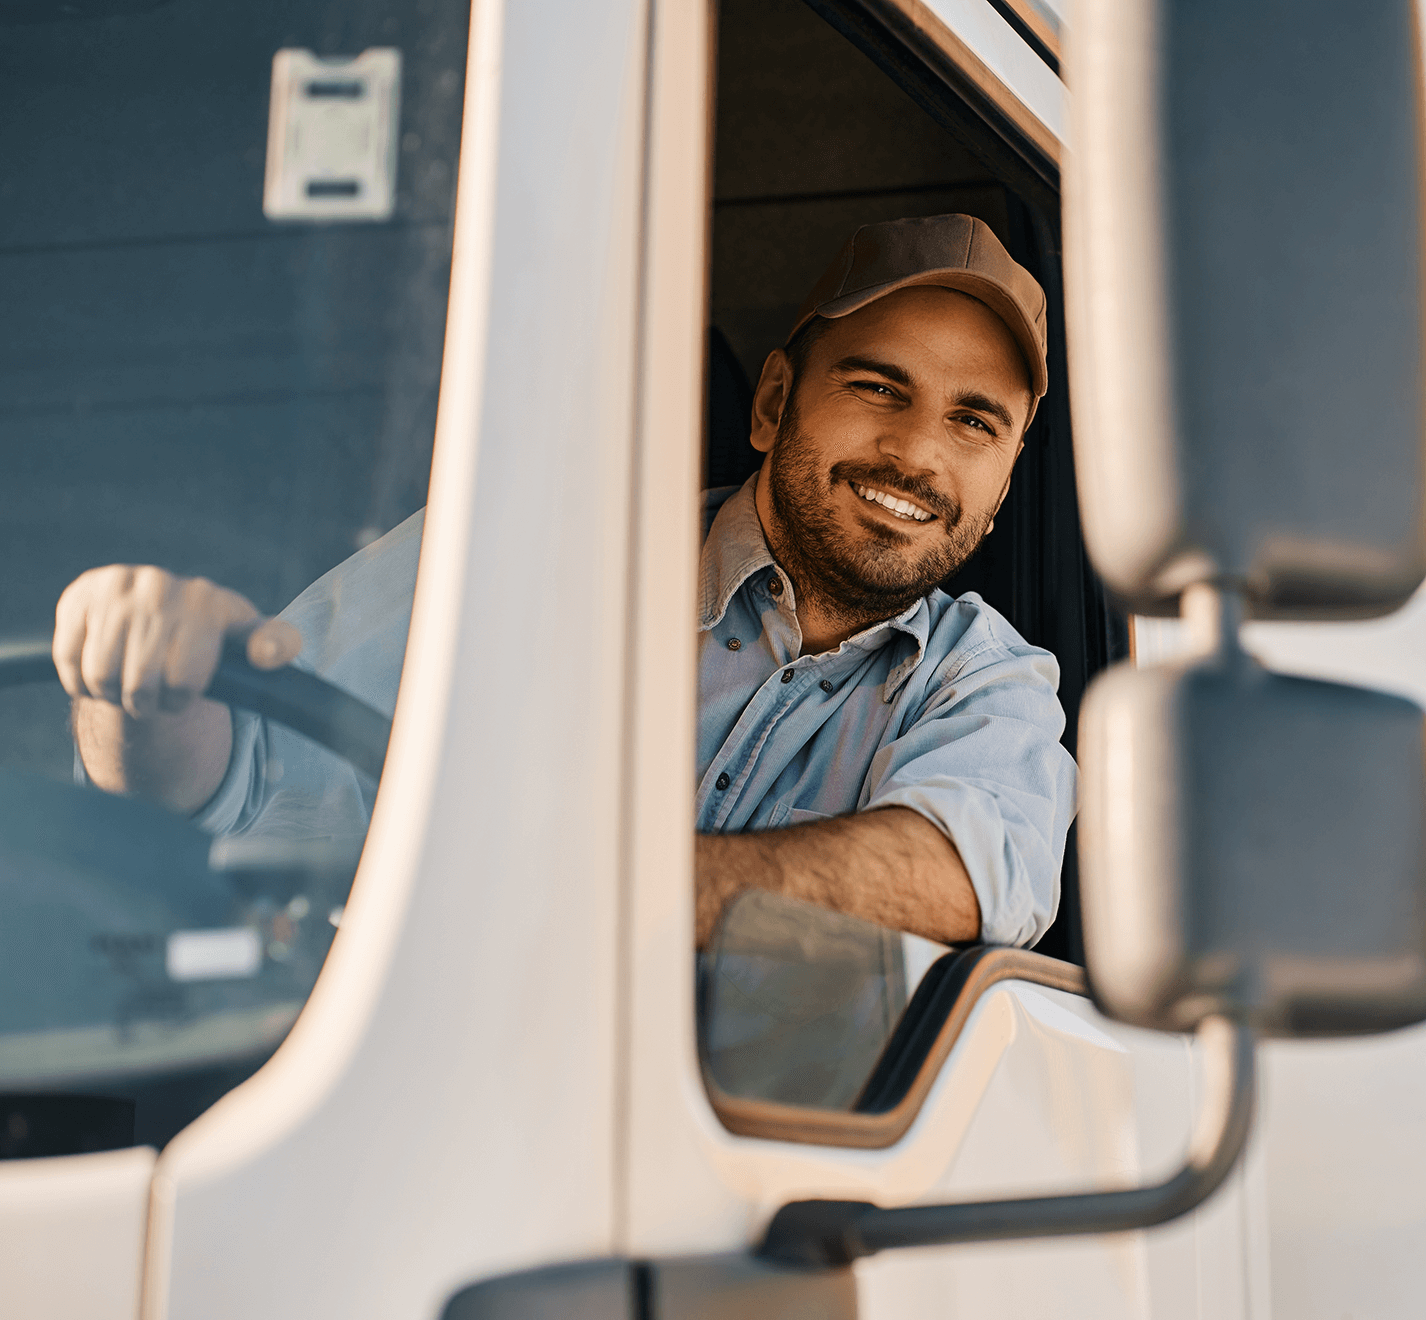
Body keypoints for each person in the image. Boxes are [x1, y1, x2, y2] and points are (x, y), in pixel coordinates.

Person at [54, 214, 1075, 952]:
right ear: (772, 404)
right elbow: (238, 777)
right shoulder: (524, 549)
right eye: (874, 387)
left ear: (999, 488)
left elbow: (961, 874)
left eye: (973, 421)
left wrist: (566, 901)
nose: (914, 454)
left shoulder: (986, 683)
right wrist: (136, 685)